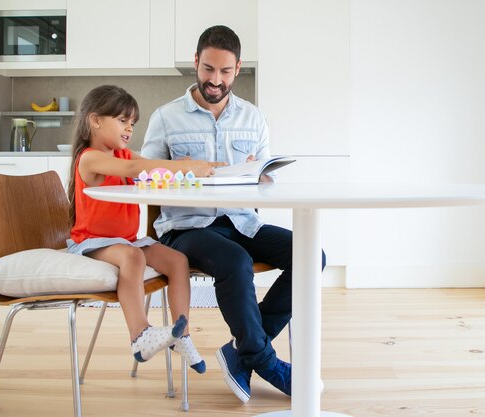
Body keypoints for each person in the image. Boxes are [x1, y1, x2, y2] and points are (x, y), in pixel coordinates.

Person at [141, 26, 326, 402]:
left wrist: (262, 175)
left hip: (242, 220)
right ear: (196, 62)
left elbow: (261, 177)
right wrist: (184, 170)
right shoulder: (166, 117)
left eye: (225, 72)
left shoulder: (253, 118)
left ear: (237, 68)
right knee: (236, 260)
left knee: (311, 255)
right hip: (186, 227)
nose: (215, 80)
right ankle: (264, 360)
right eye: (208, 69)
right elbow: (145, 179)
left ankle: (241, 351)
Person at [67, 85, 223, 373]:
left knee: (177, 261)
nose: (129, 129)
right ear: (95, 120)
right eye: (123, 121)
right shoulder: (90, 157)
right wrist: (177, 167)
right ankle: (140, 335)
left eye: (132, 123)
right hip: (92, 241)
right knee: (132, 257)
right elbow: (133, 170)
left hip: (126, 239)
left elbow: (149, 166)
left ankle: (181, 334)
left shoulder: (124, 155)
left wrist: (202, 166)